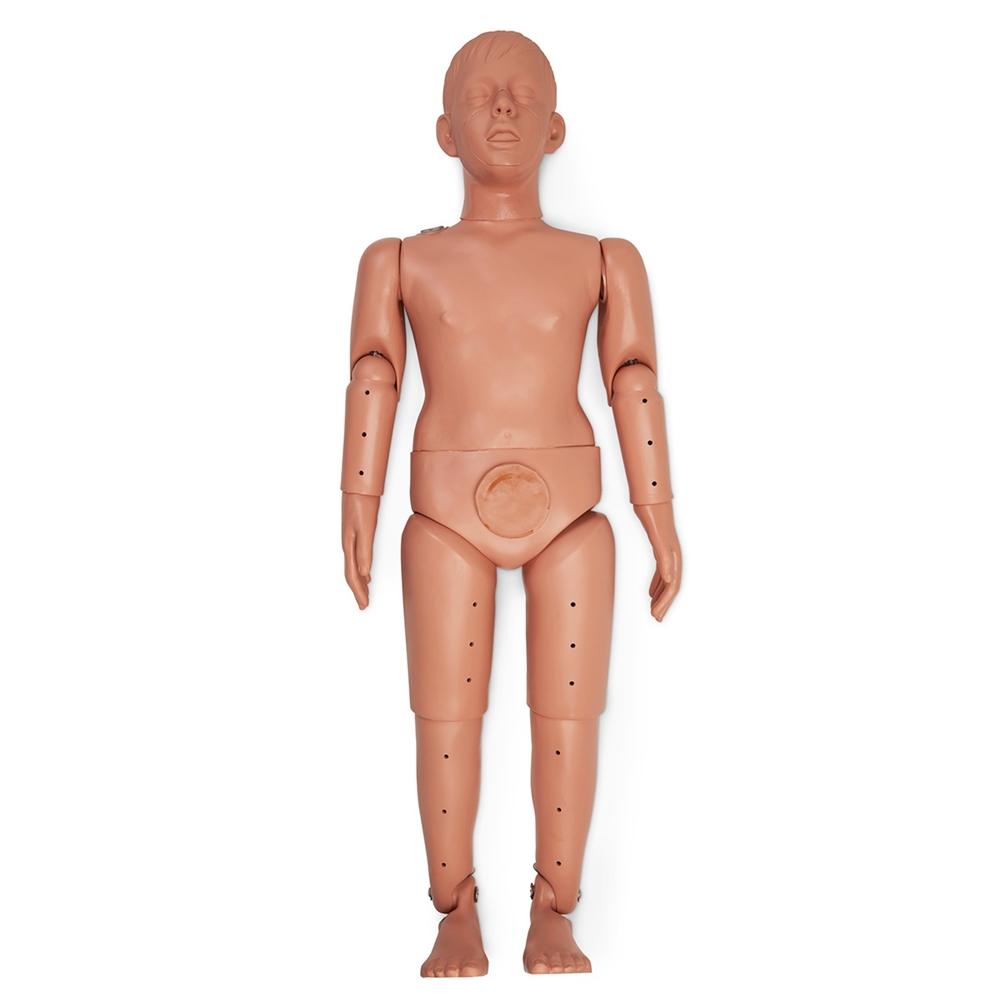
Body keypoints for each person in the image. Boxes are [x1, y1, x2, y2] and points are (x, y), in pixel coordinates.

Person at [340, 30, 682, 976]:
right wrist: (358, 497)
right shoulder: (400, 261)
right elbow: (373, 372)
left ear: (555, 129)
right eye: (481, 95)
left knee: (568, 715)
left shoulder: (603, 259)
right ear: (443, 132)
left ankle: (553, 907)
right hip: (443, 510)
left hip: (572, 509)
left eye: (524, 95)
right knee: (444, 717)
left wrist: (658, 514)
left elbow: (633, 379)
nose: (502, 107)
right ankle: (453, 907)